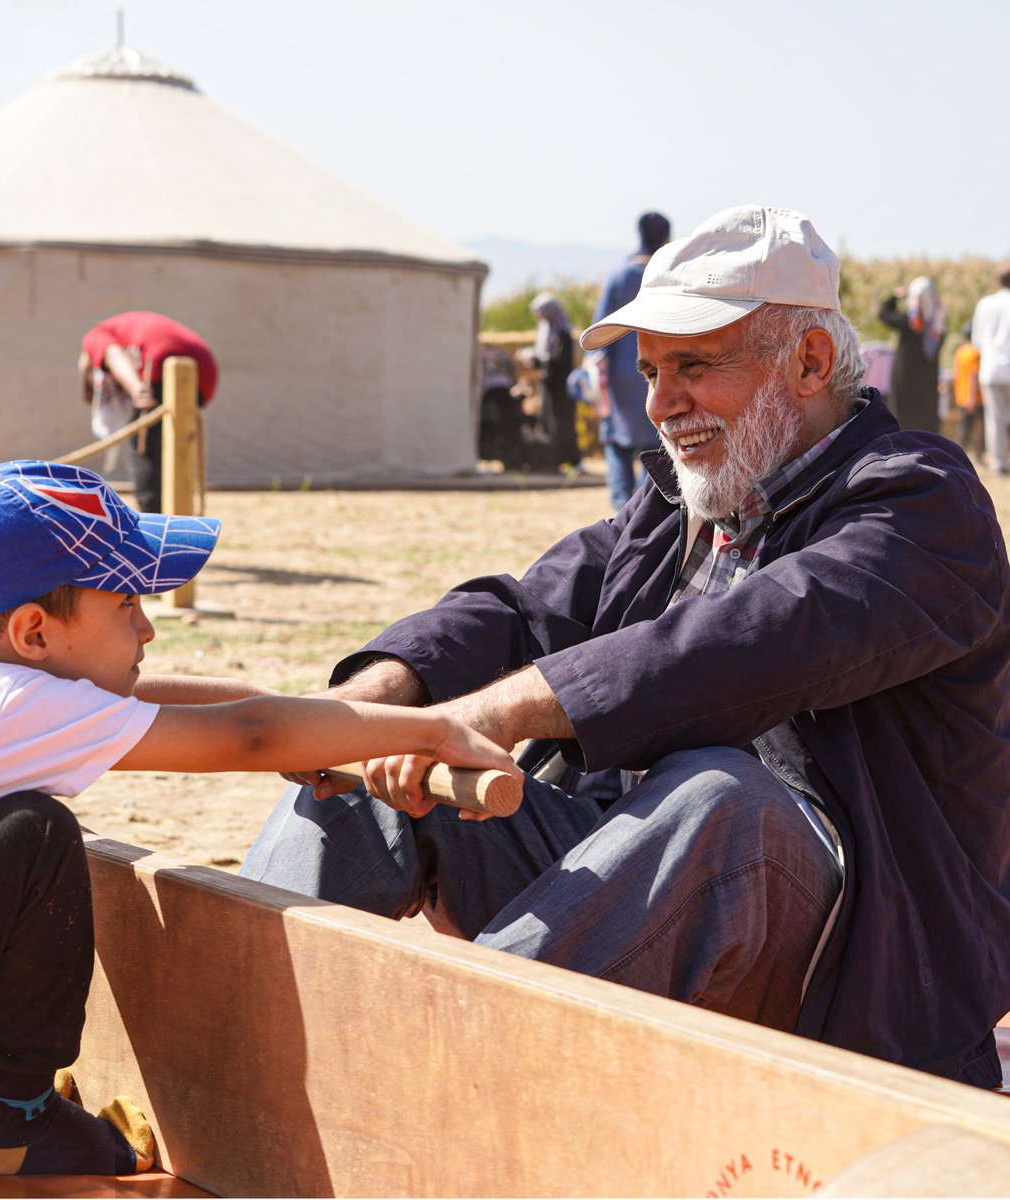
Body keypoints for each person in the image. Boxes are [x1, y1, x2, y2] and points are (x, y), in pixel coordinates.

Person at [240, 205, 1010, 1089]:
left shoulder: (922, 507)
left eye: (693, 365)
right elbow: (528, 608)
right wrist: (386, 692)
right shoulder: (683, 507)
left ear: (809, 361)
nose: (659, 402)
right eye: (648, 371)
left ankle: (430, 1088)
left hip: (855, 982)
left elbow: (746, 643)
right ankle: (229, 1057)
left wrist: (486, 713)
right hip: (634, 908)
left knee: (724, 798)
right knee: (364, 778)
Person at [0, 461, 514, 1174]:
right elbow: (250, 735)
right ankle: (17, 1122)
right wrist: (430, 732)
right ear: (32, 631)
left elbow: (230, 709)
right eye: (125, 605)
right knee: (35, 834)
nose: (147, 626)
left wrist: (311, 719)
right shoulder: (11, 707)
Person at [79, 312, 219, 512]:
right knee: (174, 444)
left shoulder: (95, 335)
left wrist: (136, 386)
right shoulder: (125, 327)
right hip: (204, 370)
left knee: (144, 446)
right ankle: (178, 510)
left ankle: (152, 516)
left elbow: (113, 354)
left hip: (162, 362)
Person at [590, 212, 670, 511]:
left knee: (617, 443)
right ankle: (641, 509)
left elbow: (599, 331)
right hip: (655, 373)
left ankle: (620, 509)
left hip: (619, 378)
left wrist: (596, 376)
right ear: (665, 238)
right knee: (654, 444)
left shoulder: (619, 276)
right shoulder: (663, 277)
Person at [877, 277, 946, 432]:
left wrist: (894, 297)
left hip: (905, 381)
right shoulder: (938, 325)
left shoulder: (909, 322)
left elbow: (884, 314)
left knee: (904, 421)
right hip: (927, 383)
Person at [518, 292, 578, 468]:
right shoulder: (546, 331)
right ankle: (553, 460)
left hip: (561, 387)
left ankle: (572, 461)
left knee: (563, 423)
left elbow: (560, 361)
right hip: (549, 386)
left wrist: (537, 359)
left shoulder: (562, 333)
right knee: (549, 423)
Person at [972, 263, 1010, 475]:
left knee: (994, 418)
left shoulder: (986, 304)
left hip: (992, 369)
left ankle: (998, 463)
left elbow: (976, 341)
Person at [952, 321, 983, 458]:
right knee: (981, 429)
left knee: (964, 429)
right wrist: (972, 397)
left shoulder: (960, 351)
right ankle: (977, 455)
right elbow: (973, 376)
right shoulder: (975, 353)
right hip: (975, 398)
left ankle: (958, 455)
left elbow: (956, 373)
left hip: (961, 396)